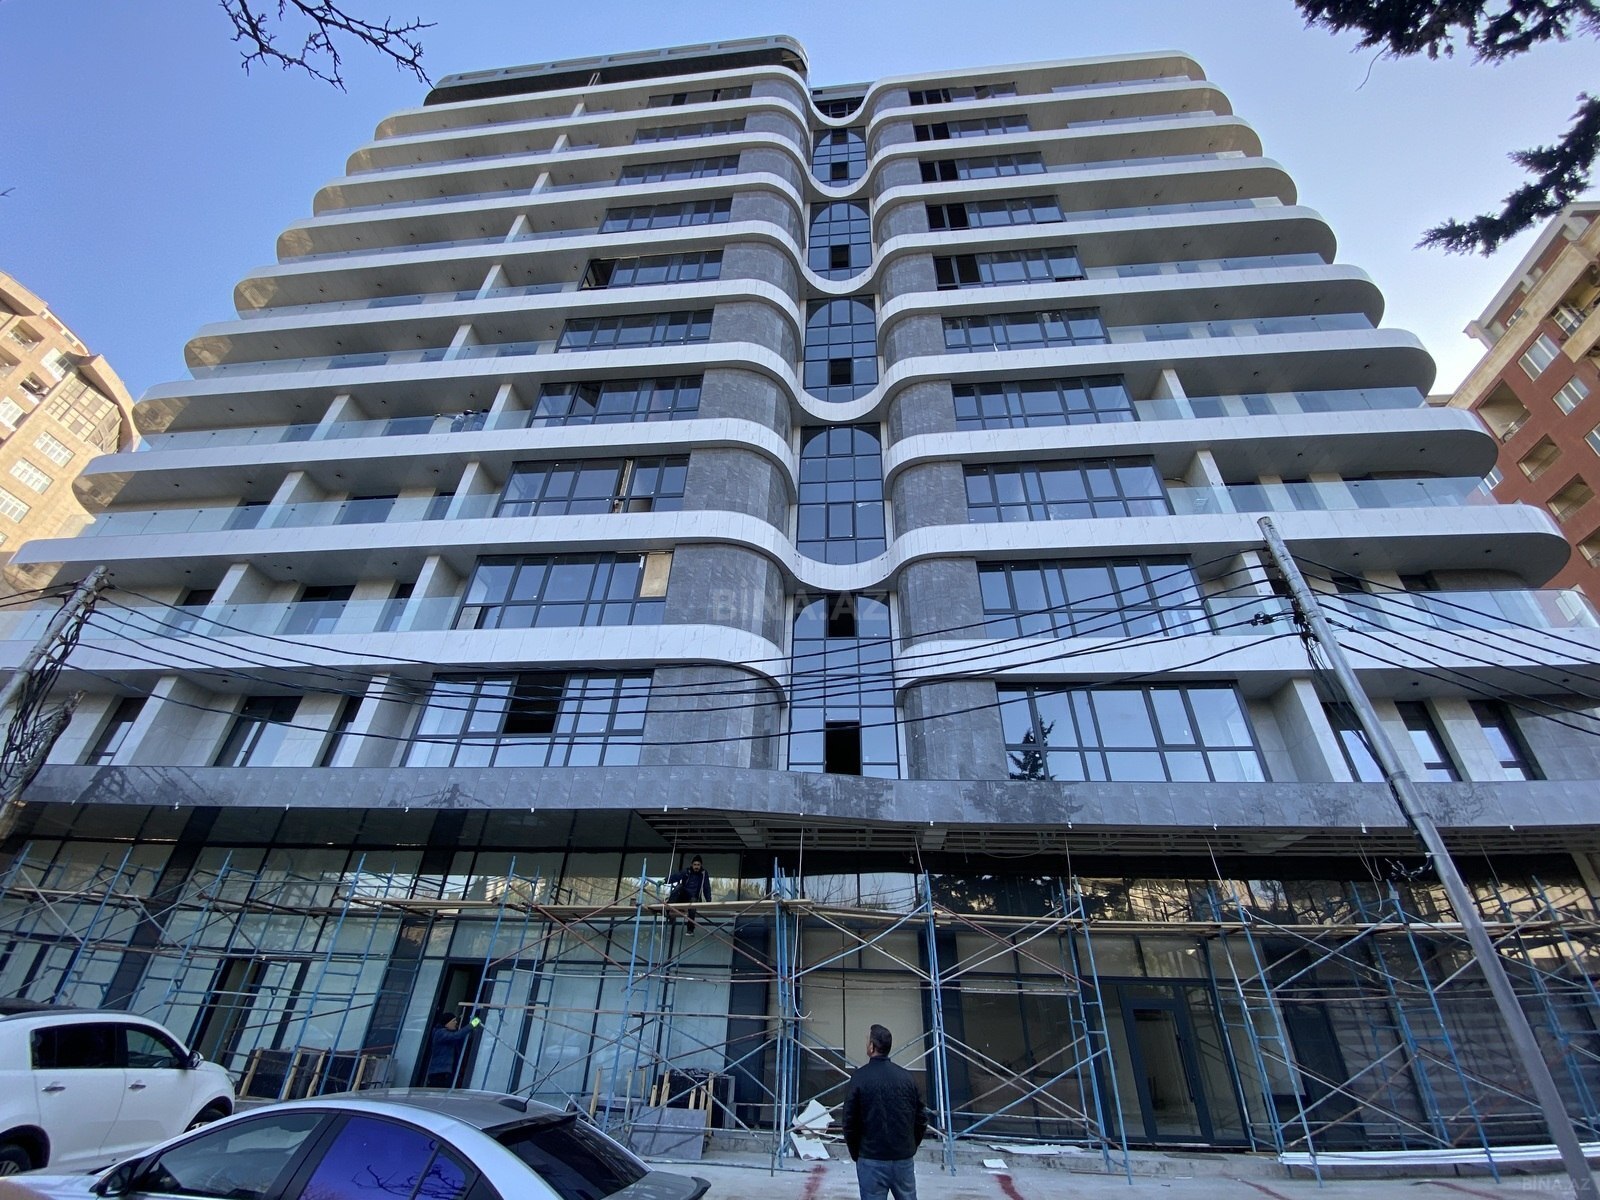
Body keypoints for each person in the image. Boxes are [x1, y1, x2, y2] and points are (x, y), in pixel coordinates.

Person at [841, 1023, 927, 1200]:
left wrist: (857, 1153)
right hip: (902, 1158)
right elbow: (921, 1118)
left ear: (872, 1047)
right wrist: (909, 1147)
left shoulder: (860, 1078)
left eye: (867, 1041)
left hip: (871, 1159)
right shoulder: (907, 1078)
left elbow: (849, 1121)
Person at [424, 1010, 478, 1086]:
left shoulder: (447, 1033)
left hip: (447, 1072)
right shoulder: (440, 1033)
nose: (456, 1022)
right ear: (447, 1023)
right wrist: (472, 1024)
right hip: (439, 1073)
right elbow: (456, 1035)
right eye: (453, 1021)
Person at [664, 855, 712, 932]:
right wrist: (665, 880)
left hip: (694, 897)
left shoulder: (703, 874)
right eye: (695, 865)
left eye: (698, 865)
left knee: (693, 903)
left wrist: (709, 900)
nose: (696, 867)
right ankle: (668, 910)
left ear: (701, 865)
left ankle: (690, 928)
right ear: (692, 865)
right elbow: (676, 876)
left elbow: (706, 887)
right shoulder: (687, 871)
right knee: (679, 886)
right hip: (684, 896)